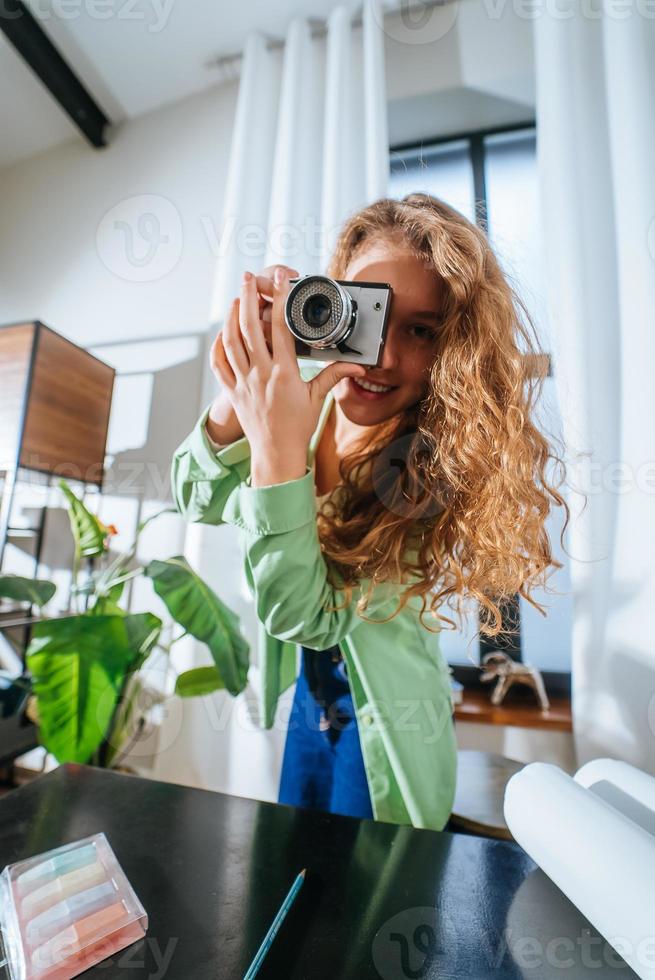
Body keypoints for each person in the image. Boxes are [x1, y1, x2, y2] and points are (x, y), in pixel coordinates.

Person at [171, 193, 569, 831]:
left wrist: (275, 450)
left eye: (421, 330)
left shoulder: (422, 469)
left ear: (453, 352)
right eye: (367, 314)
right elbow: (196, 497)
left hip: (386, 718)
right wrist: (237, 394)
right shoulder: (307, 411)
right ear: (326, 307)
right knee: (293, 868)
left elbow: (305, 616)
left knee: (366, 902)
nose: (381, 357)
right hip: (310, 701)